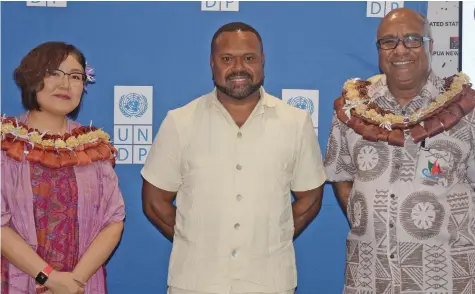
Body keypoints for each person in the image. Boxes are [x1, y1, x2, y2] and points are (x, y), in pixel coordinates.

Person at [141, 22, 326, 294]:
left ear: (262, 61)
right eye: (227, 59)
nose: (239, 67)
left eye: (249, 58)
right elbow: (155, 202)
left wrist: (272, 239)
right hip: (194, 283)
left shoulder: (295, 123)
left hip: (270, 283)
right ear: (212, 63)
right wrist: (197, 242)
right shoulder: (180, 122)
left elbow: (310, 199)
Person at [324, 7, 475, 294]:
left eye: (412, 39)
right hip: (370, 278)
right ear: (379, 50)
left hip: (447, 279)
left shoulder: (465, 110)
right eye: (389, 41)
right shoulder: (352, 108)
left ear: (430, 45)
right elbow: (341, 176)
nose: (400, 49)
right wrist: (372, 217)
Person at [1, 42, 126, 294]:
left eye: (75, 76)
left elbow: (114, 220)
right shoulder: (6, 143)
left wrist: (75, 281)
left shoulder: (93, 147)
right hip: (19, 279)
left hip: (81, 285)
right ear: (32, 78)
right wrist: (50, 278)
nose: (65, 84)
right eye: (53, 73)